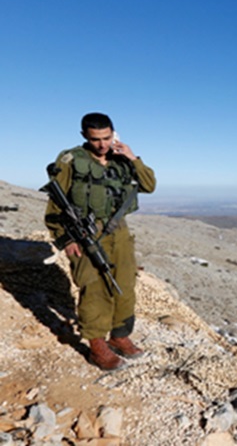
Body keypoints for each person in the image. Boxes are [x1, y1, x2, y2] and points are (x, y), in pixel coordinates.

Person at [44, 112, 156, 370]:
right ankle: (96, 345)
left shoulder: (121, 159)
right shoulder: (71, 160)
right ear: (85, 136)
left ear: (113, 134)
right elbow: (55, 202)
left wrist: (132, 157)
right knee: (94, 288)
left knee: (125, 285)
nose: (102, 144)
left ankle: (119, 337)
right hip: (85, 234)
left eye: (106, 138)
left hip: (119, 232)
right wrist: (65, 239)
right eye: (96, 139)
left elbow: (149, 185)